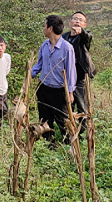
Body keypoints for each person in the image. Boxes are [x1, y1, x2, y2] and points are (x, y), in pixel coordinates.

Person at [31, 14, 77, 144]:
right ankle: (49, 146)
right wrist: (29, 74)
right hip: (44, 88)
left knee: (64, 122)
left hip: (59, 91)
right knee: (44, 120)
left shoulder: (67, 48)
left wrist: (70, 92)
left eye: (45, 26)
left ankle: (69, 147)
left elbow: (70, 72)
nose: (43, 29)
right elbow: (39, 65)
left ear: (50, 28)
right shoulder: (44, 45)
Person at [62, 11, 97, 115]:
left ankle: (84, 127)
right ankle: (70, 128)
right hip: (66, 76)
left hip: (79, 76)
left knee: (81, 104)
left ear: (84, 25)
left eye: (80, 20)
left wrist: (81, 31)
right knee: (68, 105)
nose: (77, 21)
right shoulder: (64, 37)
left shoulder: (85, 37)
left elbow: (87, 36)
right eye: (75, 19)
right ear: (70, 22)